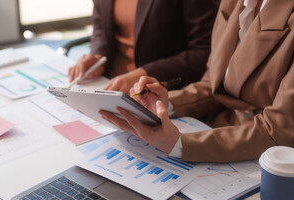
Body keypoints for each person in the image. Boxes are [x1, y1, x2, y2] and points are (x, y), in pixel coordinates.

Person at [99, 0, 294, 163]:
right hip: (221, 131)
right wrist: (164, 104)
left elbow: (279, 132)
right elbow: (213, 83)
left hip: (268, 156)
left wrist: (179, 144)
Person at [68, 0, 220, 93]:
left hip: (160, 92)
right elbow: (100, 26)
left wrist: (146, 73)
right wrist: (98, 55)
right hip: (105, 84)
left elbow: (204, 51)